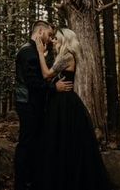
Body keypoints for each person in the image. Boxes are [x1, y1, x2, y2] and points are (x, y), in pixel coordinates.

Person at [35, 27, 112, 190]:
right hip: (60, 101)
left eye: (56, 38)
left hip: (65, 103)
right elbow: (52, 77)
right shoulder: (62, 56)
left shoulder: (67, 55)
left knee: (65, 140)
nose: (53, 40)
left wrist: (40, 53)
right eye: (53, 38)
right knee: (60, 140)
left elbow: (46, 74)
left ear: (64, 39)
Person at [14, 21, 73, 190]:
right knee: (26, 143)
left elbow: (45, 74)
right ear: (40, 32)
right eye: (48, 34)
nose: (50, 38)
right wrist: (53, 87)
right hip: (28, 104)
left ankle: (32, 179)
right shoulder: (27, 52)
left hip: (34, 104)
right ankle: (21, 183)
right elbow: (33, 83)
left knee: (35, 142)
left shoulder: (34, 51)